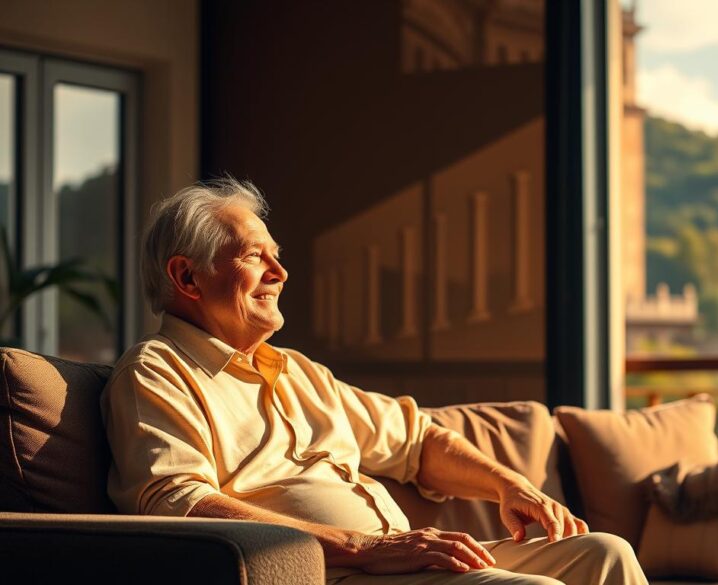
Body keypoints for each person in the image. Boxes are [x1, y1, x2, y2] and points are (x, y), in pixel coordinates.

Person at [101, 178, 647, 585]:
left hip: (393, 561)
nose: (280, 273)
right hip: (326, 571)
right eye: (253, 257)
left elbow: (418, 439)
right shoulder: (156, 372)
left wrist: (511, 486)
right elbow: (175, 498)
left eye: (277, 256)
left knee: (605, 554)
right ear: (186, 276)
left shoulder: (300, 373)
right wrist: (361, 547)